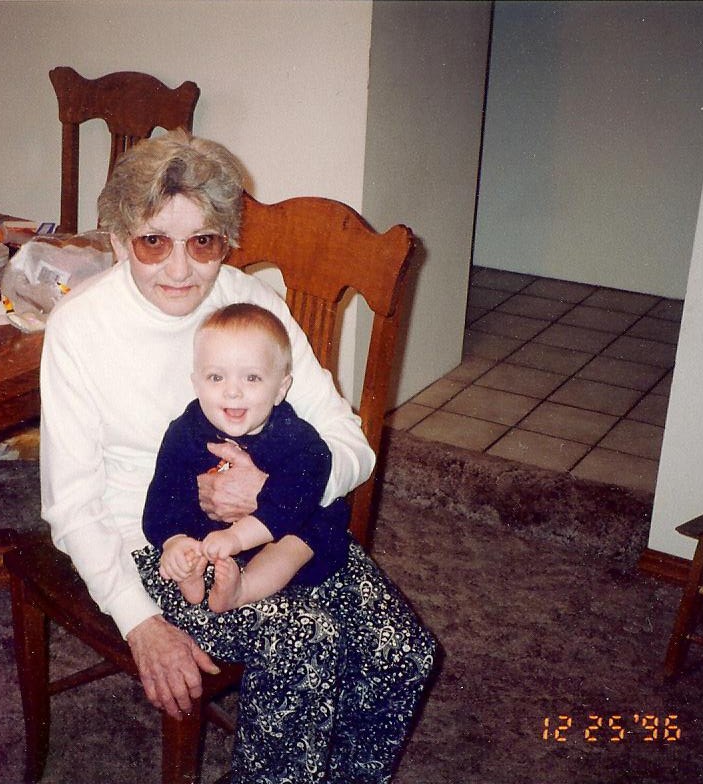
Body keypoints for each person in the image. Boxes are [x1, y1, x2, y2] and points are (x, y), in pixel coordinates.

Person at [40, 129, 435, 783]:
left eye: (203, 242)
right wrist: (140, 623)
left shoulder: (250, 307)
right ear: (117, 239)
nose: (179, 269)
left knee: (404, 651)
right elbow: (72, 506)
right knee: (306, 644)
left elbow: (349, 444)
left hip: (283, 523)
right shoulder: (80, 329)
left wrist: (275, 495)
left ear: (226, 240)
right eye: (153, 242)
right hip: (159, 543)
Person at [141, 302, 352, 613]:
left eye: (251, 378)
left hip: (280, 536)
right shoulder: (185, 430)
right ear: (196, 384)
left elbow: (292, 501)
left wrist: (238, 538)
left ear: (280, 389)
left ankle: (244, 589)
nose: (233, 392)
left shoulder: (297, 440)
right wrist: (173, 540)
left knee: (310, 528)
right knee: (177, 517)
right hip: (213, 536)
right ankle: (190, 568)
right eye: (216, 377)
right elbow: (163, 492)